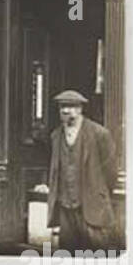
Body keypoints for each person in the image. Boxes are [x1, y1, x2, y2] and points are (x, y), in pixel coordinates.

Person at [46, 89, 118, 251]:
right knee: (68, 252)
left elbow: (110, 172)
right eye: (62, 106)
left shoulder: (99, 134)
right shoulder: (55, 136)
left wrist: (99, 192)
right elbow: (55, 171)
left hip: (92, 207)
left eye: (71, 106)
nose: (65, 110)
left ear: (80, 109)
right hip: (65, 208)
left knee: (97, 253)